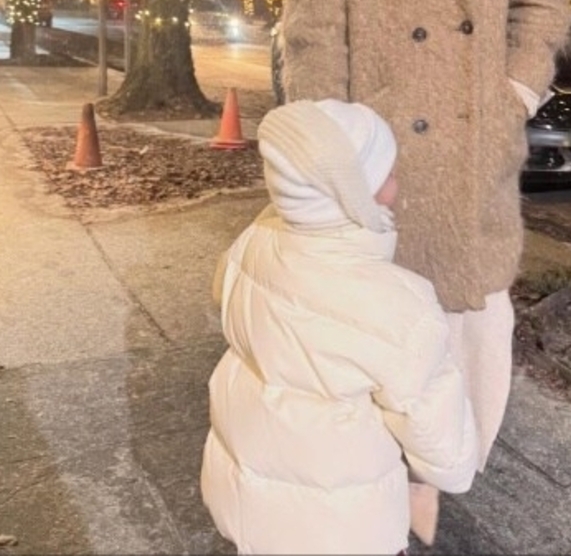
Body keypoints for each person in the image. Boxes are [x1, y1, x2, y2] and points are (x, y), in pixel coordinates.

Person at [277, 0, 571, 524]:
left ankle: (430, 501)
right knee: (375, 348)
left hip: (473, 155)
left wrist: (514, 95)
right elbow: (312, 33)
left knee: (465, 346)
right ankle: (396, 518)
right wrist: (330, 164)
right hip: (377, 166)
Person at [200, 99, 479, 555]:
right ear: (353, 192)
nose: (397, 181)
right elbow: (435, 430)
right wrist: (457, 465)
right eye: (387, 173)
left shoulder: (254, 241)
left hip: (250, 493)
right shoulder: (394, 302)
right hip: (339, 523)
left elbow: (226, 298)